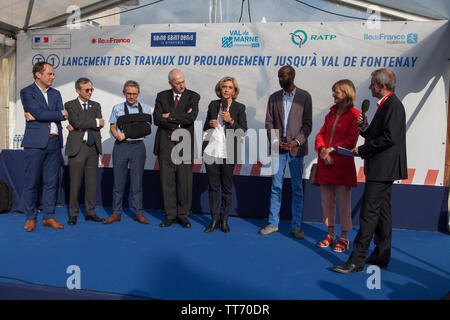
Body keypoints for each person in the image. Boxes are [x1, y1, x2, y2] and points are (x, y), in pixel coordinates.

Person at [333, 68, 407, 274]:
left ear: (381, 86)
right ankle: (381, 255)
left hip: (383, 168)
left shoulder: (393, 105)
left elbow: (389, 138)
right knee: (382, 212)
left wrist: (362, 149)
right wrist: (365, 129)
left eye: (372, 83)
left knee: (369, 214)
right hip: (383, 167)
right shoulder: (387, 105)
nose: (369, 86)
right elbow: (382, 134)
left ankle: (357, 259)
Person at [261, 66, 312, 239]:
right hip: (278, 149)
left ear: (292, 76)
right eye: (278, 76)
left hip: (296, 150)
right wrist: (276, 142)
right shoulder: (274, 98)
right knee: (276, 186)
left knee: (297, 187)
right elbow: (268, 122)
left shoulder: (305, 97)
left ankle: (296, 226)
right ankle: (273, 223)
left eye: (282, 76)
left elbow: (307, 125)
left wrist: (295, 142)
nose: (280, 79)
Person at [20, 61, 68, 232]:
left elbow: (57, 114)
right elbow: (41, 112)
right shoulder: (27, 92)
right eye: (49, 74)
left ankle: (49, 217)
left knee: (51, 183)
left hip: (54, 142)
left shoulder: (56, 93)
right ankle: (30, 218)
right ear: (38, 75)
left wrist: (41, 116)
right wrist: (55, 115)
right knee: (32, 182)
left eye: (53, 74)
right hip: (35, 143)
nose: (53, 77)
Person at [314, 79, 360, 252]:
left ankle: (344, 238)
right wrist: (322, 150)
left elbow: (351, 140)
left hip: (342, 167)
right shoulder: (330, 113)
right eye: (333, 91)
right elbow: (320, 135)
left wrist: (331, 150)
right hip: (326, 165)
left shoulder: (355, 115)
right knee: (327, 203)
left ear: (346, 93)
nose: (333, 95)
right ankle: (330, 234)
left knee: (344, 204)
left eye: (337, 92)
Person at [153, 69, 200, 228]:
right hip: (165, 142)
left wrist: (169, 116)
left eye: (183, 81)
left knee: (185, 180)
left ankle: (183, 215)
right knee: (167, 180)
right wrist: (179, 117)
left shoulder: (193, 96)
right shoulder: (161, 96)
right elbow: (157, 119)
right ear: (170, 83)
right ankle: (170, 215)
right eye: (178, 83)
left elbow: (191, 118)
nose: (182, 85)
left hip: (184, 142)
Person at [202, 76, 247, 233]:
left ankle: (224, 220)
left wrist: (231, 121)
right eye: (224, 87)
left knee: (227, 188)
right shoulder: (213, 105)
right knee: (214, 188)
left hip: (229, 152)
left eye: (230, 87)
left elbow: (242, 131)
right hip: (211, 151)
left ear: (234, 91)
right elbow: (205, 128)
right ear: (219, 89)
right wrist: (210, 124)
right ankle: (214, 220)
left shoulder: (239, 107)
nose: (227, 90)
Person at [103, 80, 152, 225]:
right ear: (124, 93)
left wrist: (128, 132)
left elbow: (146, 129)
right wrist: (116, 134)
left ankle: (138, 213)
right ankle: (116, 213)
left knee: (137, 184)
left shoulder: (145, 108)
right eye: (129, 93)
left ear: (138, 94)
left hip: (138, 147)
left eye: (134, 94)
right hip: (121, 147)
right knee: (118, 183)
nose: (131, 96)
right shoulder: (117, 108)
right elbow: (112, 126)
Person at [65, 78, 105, 225]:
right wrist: (94, 122)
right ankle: (73, 213)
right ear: (78, 90)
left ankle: (90, 212)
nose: (89, 92)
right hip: (78, 147)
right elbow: (76, 122)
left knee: (91, 183)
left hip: (92, 147)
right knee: (75, 183)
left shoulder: (96, 105)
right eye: (86, 90)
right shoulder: (70, 105)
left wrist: (83, 125)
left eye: (91, 90)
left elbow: (100, 125)